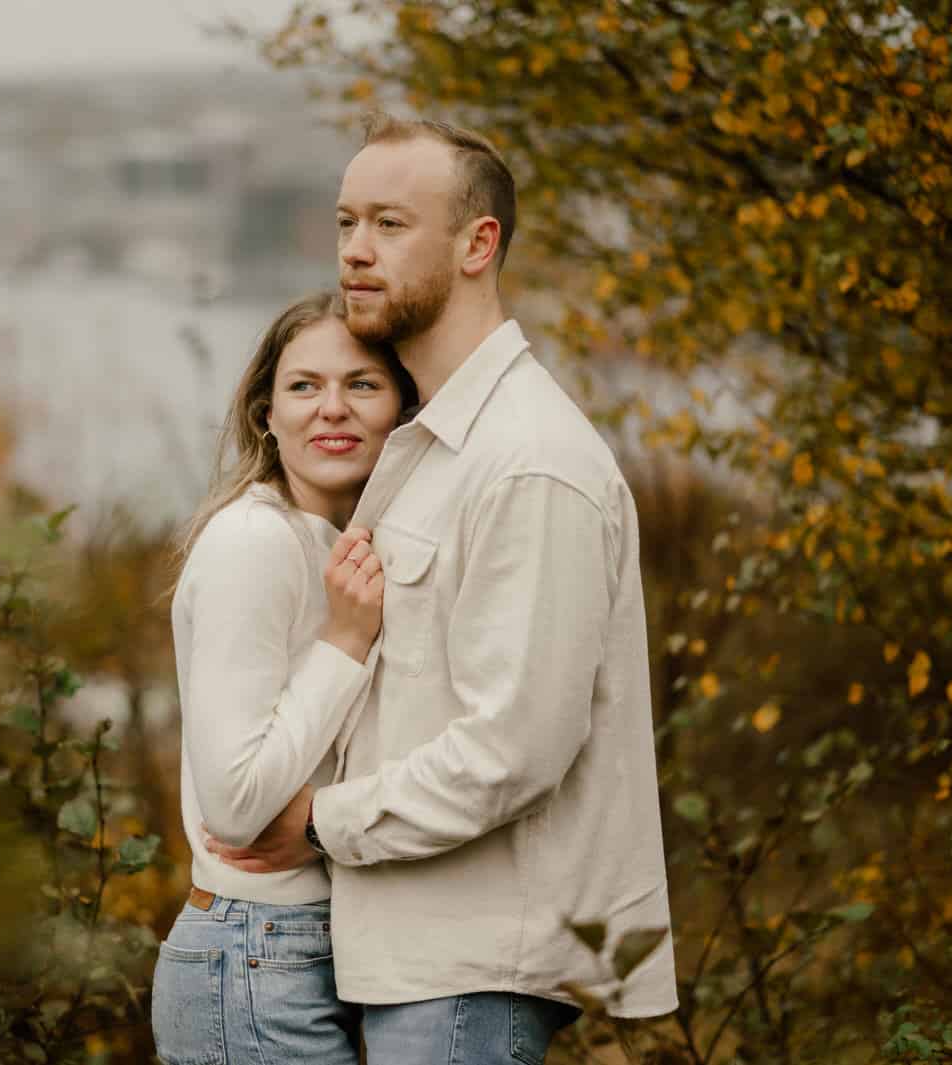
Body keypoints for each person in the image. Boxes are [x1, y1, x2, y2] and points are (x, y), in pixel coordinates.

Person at [205, 113, 680, 1063]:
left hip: (470, 970)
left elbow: (516, 746)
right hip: (410, 964)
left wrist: (319, 823)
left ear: (477, 244)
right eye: (346, 223)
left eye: (390, 224)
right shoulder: (429, 447)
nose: (355, 251)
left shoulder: (526, 460)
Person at [151, 291, 419, 1065]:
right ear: (267, 413)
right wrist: (345, 641)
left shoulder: (342, 543)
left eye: (362, 383)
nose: (333, 408)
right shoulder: (253, 541)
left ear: (402, 409)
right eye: (305, 386)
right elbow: (235, 806)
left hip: (305, 950)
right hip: (256, 952)